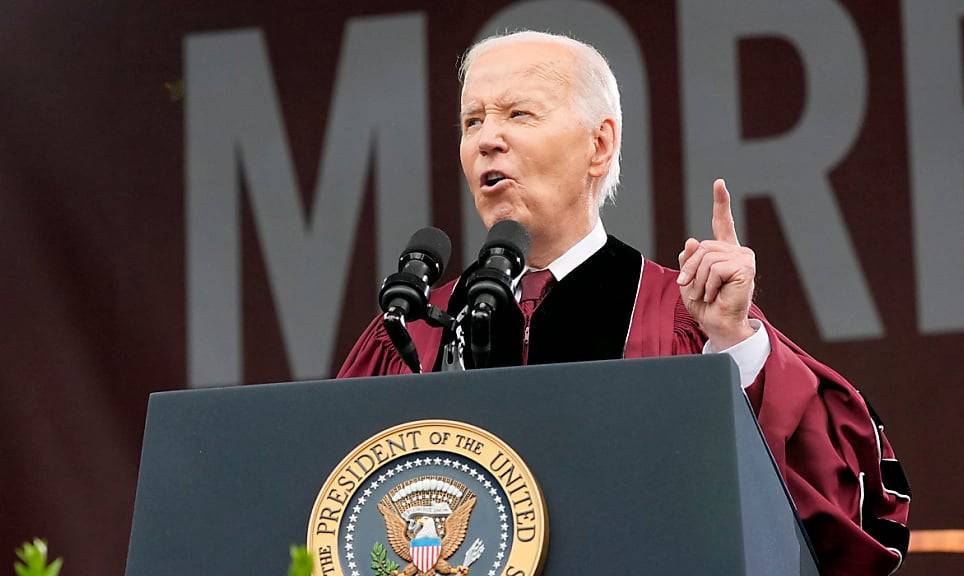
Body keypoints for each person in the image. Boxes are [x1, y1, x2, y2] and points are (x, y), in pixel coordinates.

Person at [340, 31, 910, 575]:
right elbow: (325, 513)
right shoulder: (415, 333)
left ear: (600, 145)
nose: (487, 138)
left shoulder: (686, 318)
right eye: (472, 120)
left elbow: (851, 511)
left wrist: (735, 347)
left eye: (519, 114)